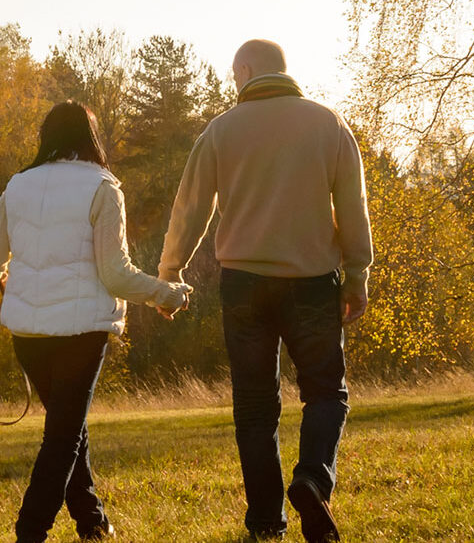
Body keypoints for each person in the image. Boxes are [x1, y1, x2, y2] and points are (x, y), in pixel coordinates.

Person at [158, 39, 372, 543]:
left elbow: (190, 208)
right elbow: (353, 204)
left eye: (235, 77)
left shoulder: (220, 131)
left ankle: (266, 524)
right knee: (325, 392)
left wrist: (170, 272)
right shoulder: (328, 123)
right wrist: (358, 273)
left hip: (244, 285)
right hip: (313, 282)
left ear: (247, 70)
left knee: (255, 405)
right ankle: (314, 481)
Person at [0, 102, 193, 543]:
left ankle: (91, 521)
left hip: (29, 335)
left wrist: (4, 276)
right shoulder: (103, 186)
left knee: (67, 427)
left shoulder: (16, 186)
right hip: (81, 334)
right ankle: (29, 532)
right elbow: (114, 273)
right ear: (91, 137)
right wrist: (165, 293)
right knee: (63, 437)